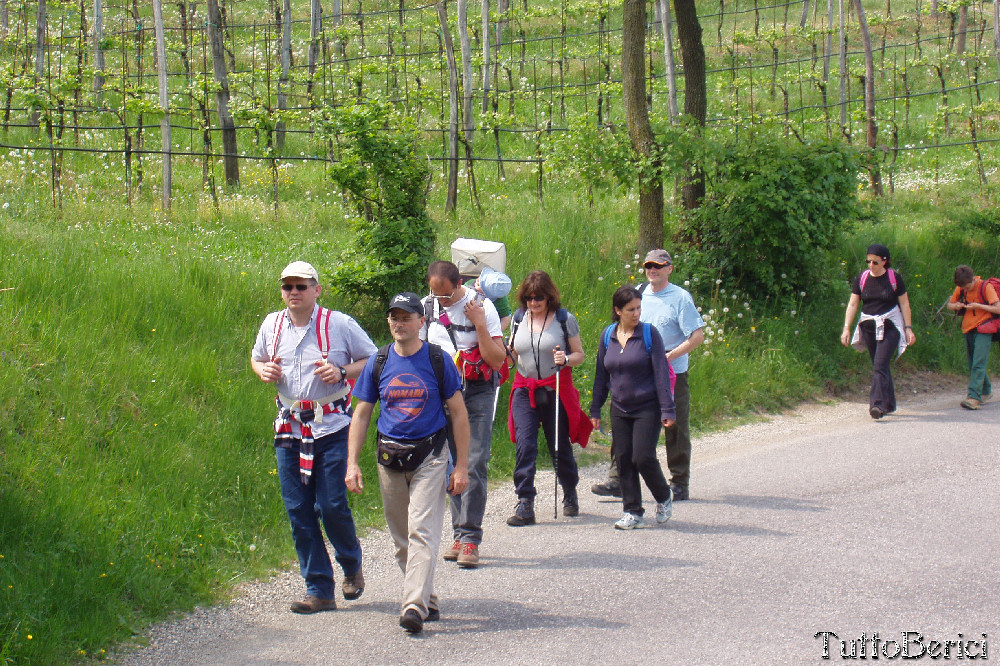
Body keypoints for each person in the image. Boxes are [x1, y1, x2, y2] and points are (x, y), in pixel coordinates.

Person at [251, 261, 376, 614]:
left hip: (333, 425)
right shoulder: (271, 324)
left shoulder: (338, 324)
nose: (294, 292)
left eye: (301, 286)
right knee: (298, 510)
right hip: (290, 426)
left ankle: (351, 565)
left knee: (332, 505)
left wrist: (340, 370)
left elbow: (371, 358)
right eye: (287, 286)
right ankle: (319, 588)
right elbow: (256, 358)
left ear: (316, 290)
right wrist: (264, 370)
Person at [346, 292, 470, 634]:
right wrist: (351, 464)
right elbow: (361, 414)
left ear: (421, 322)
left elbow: (459, 414)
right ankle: (427, 597)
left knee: (422, 530)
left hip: (430, 455)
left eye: (406, 317)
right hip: (389, 458)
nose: (399, 323)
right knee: (402, 539)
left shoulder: (438, 359)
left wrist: (460, 467)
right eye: (394, 317)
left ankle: (412, 605)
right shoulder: (379, 361)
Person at [592, 249, 704, 501]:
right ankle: (618, 479)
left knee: (674, 426)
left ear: (669, 269)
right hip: (638, 370)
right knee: (625, 419)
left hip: (672, 370)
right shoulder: (638, 293)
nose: (652, 270)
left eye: (658, 265)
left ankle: (679, 481)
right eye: (648, 265)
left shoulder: (680, 297)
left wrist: (668, 358)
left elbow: (697, 336)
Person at [420, 261, 506, 567]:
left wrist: (479, 324)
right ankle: (458, 534)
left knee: (474, 462)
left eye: (445, 295)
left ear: (459, 284)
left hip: (478, 392)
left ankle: (470, 539)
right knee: (451, 464)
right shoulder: (426, 307)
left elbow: (497, 360)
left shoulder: (483, 306)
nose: (440, 300)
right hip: (444, 393)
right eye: (435, 294)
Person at [505, 270, 592, 526]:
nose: (534, 302)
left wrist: (565, 359)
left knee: (559, 447)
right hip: (524, 389)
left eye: (539, 297)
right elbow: (513, 351)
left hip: (554, 388)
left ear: (549, 296)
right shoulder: (519, 319)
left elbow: (580, 355)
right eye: (529, 298)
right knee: (525, 445)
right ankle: (525, 502)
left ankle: (569, 491)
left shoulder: (564, 319)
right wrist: (506, 353)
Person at [590, 286, 676, 529]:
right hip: (619, 407)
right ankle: (632, 511)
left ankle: (663, 496)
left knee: (642, 457)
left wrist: (667, 410)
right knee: (624, 458)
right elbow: (601, 375)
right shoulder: (608, 336)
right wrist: (595, 409)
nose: (636, 313)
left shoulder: (649, 334)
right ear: (618, 311)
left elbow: (661, 373)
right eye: (631, 309)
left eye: (639, 308)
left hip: (647, 407)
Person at [840, 243, 917, 419]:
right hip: (869, 326)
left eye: (875, 262)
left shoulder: (894, 278)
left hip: (890, 325)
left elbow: (904, 304)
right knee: (879, 364)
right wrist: (846, 328)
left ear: (884, 261)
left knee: (880, 365)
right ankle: (889, 403)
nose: (871, 265)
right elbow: (853, 304)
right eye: (868, 261)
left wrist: (908, 329)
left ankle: (877, 405)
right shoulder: (862, 278)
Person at [946, 265, 1000, 410]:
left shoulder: (985, 287)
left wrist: (979, 306)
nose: (966, 290)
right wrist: (956, 305)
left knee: (978, 363)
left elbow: (998, 308)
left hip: (985, 327)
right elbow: (950, 305)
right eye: (963, 287)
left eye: (968, 287)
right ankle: (986, 390)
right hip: (968, 328)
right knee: (972, 363)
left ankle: (974, 397)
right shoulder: (962, 287)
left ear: (972, 279)